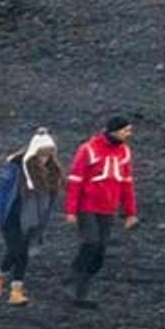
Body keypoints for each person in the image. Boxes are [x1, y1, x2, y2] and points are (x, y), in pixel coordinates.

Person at [63, 115, 139, 303]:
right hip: (87, 206)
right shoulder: (88, 150)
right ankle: (75, 280)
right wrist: (71, 210)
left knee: (100, 250)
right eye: (126, 130)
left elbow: (126, 183)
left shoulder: (124, 152)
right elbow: (75, 181)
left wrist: (130, 212)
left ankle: (81, 286)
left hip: (108, 208)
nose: (129, 134)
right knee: (91, 242)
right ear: (115, 130)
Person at [0, 131, 63, 304]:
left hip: (32, 218)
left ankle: (11, 287)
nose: (45, 159)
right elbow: (2, 192)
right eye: (42, 155)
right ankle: (6, 283)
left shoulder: (51, 172)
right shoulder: (16, 167)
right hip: (12, 216)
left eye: (48, 155)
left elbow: (50, 197)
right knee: (18, 251)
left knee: (21, 253)